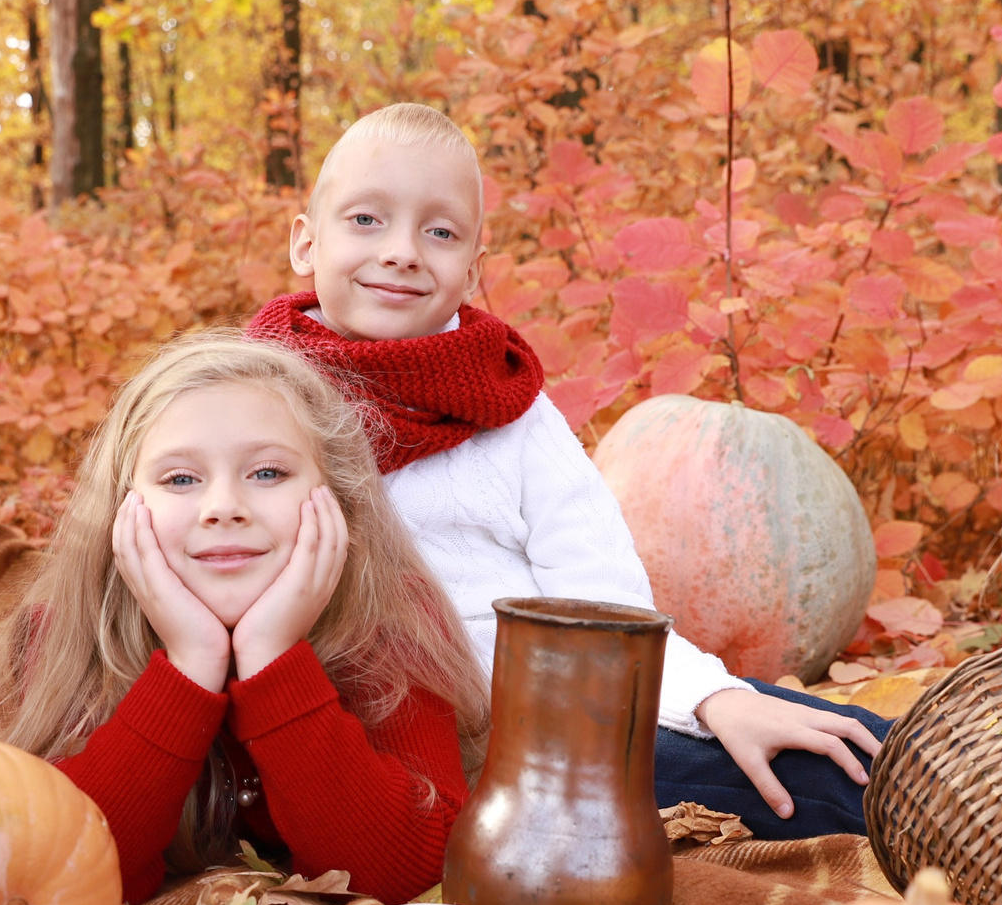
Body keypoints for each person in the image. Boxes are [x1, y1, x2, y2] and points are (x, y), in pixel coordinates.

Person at [247, 102, 890, 841]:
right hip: (418, 746)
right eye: (366, 220)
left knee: (844, 739)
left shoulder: (509, 409)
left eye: (441, 231)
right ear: (305, 241)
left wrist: (713, 698)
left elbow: (602, 600)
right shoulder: (264, 403)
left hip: (564, 702)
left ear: (474, 268)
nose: (401, 251)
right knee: (813, 783)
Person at [0, 329, 486, 905]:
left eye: (267, 473)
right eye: (180, 479)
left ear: (337, 496)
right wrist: (192, 665)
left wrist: (272, 658)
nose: (223, 508)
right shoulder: (66, 632)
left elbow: (409, 872)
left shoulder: (392, 621)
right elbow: (56, 870)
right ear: (121, 507)